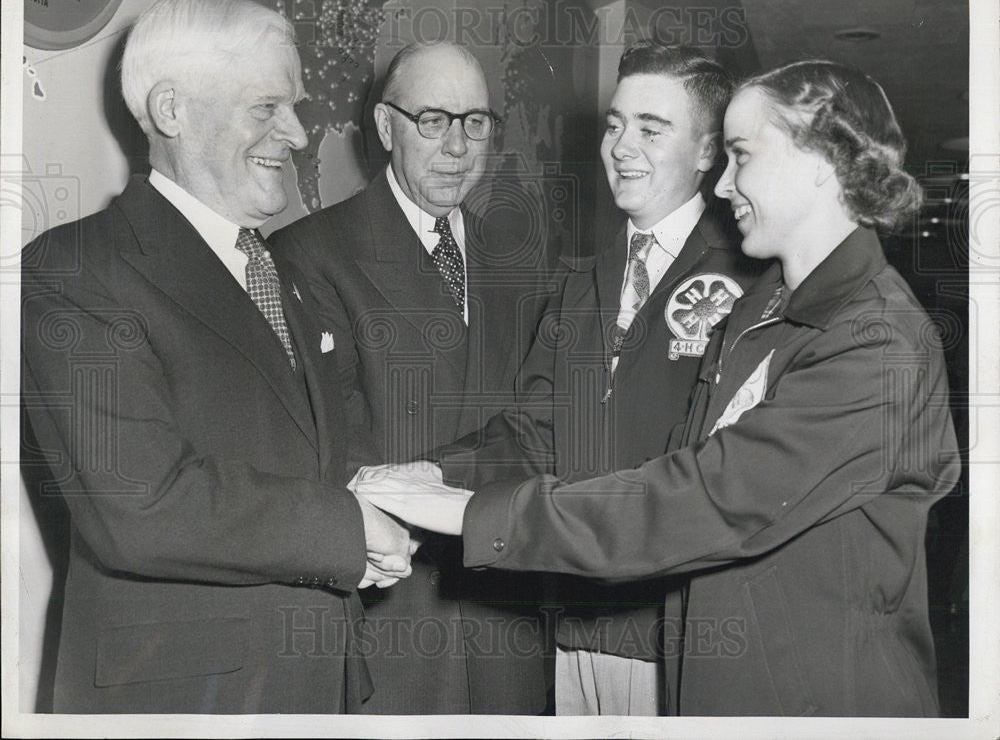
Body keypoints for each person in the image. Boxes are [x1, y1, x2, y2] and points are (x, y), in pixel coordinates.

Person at [353, 60, 962, 717]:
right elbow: (551, 434)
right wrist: (436, 475)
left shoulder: (879, 339)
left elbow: (704, 496)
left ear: (816, 159)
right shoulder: (769, 314)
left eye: (741, 156)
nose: (725, 184)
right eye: (615, 125)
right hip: (698, 664)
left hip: (808, 699)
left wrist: (470, 513)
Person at [20, 0, 416, 714]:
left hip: (314, 686)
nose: (296, 134)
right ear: (172, 111)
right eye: (267, 108)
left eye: (293, 107)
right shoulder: (75, 270)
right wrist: (344, 526)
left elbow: (289, 453)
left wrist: (387, 485)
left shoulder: (279, 271)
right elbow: (140, 504)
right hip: (181, 701)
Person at [390, 42, 763, 716]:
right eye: (616, 124)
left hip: (684, 629)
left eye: (652, 129)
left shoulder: (753, 280)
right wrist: (427, 474)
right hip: (575, 622)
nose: (622, 146)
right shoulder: (581, 278)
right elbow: (534, 433)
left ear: (708, 152)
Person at [270, 42, 550, 714]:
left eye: (475, 121)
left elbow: (543, 425)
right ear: (386, 126)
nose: (457, 144)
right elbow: (329, 452)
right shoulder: (306, 256)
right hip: (389, 628)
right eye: (433, 119)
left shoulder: (521, 258)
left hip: (507, 622)